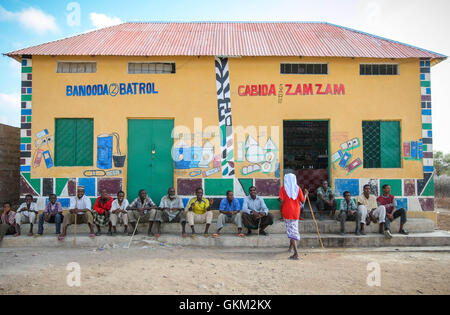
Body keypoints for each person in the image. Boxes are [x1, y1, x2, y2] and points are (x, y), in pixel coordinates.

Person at [279, 173, 308, 260]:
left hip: (287, 212)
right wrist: (306, 194)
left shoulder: (283, 189)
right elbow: (303, 201)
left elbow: (281, 201)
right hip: (296, 212)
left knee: (291, 231)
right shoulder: (298, 188)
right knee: (292, 229)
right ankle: (290, 248)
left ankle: (296, 253)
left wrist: (281, 212)